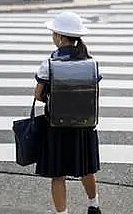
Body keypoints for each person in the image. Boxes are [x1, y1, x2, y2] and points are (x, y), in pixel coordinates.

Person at [34, 11, 102, 214]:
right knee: (86, 168)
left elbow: (38, 95)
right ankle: (94, 205)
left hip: (56, 126)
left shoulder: (49, 64)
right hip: (83, 125)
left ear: (60, 37)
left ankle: (62, 213)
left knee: (58, 174)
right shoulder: (91, 63)